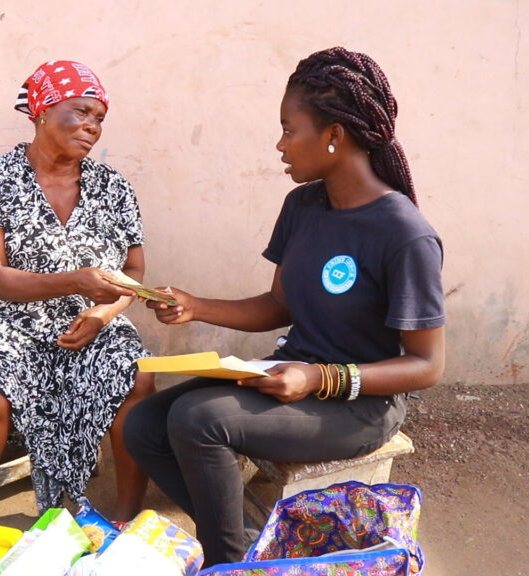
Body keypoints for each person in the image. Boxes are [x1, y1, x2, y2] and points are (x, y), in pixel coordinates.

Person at [123, 47, 446, 566]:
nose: (280, 145)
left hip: (357, 405)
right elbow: (280, 304)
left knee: (198, 419)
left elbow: (427, 366)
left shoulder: (404, 235)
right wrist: (196, 306)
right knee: (144, 425)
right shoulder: (303, 206)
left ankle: (228, 562)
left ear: (334, 136)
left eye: (288, 129)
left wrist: (319, 379)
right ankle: (253, 545)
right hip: (291, 371)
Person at [0, 60, 154, 522]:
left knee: (138, 376)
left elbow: (133, 270)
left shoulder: (113, 188)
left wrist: (103, 314)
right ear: (42, 111)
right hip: (10, 321)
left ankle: (126, 519)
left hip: (91, 322)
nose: (92, 127)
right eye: (81, 112)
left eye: (99, 118)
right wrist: (77, 280)